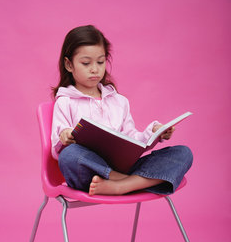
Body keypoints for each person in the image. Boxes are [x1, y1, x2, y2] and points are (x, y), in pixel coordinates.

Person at [51, 25, 193, 196]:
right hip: (92, 174)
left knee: (183, 153)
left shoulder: (119, 101)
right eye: (86, 63)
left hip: (125, 167)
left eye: (100, 62)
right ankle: (129, 181)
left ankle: (121, 185)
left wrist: (154, 133)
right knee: (69, 156)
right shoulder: (65, 102)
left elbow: (131, 138)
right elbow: (56, 148)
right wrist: (65, 135)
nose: (95, 69)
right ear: (69, 64)